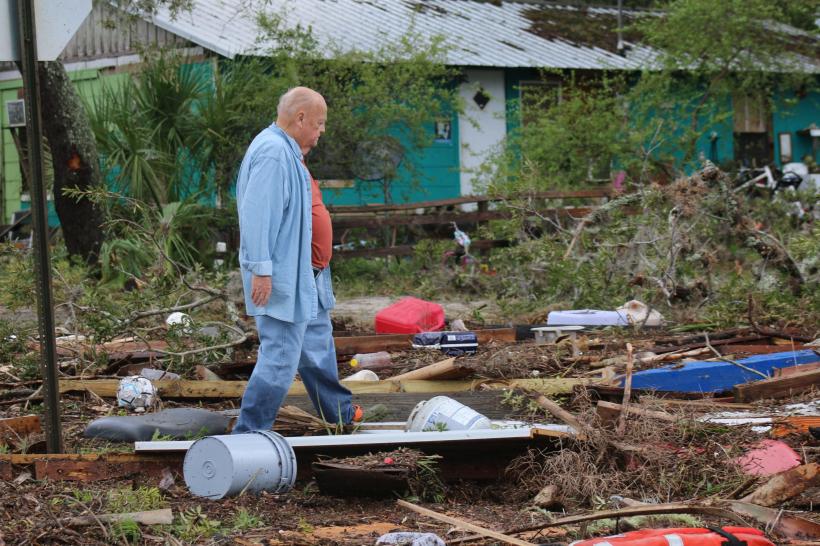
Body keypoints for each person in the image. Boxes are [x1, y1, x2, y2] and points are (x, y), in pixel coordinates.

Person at [233, 86, 367, 433]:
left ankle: (338, 414)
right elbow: (257, 215)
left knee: (318, 345)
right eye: (319, 123)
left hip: (310, 274)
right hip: (284, 274)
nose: (322, 130)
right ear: (301, 117)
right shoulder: (274, 153)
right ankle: (249, 433)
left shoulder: (287, 152)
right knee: (280, 356)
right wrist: (261, 270)